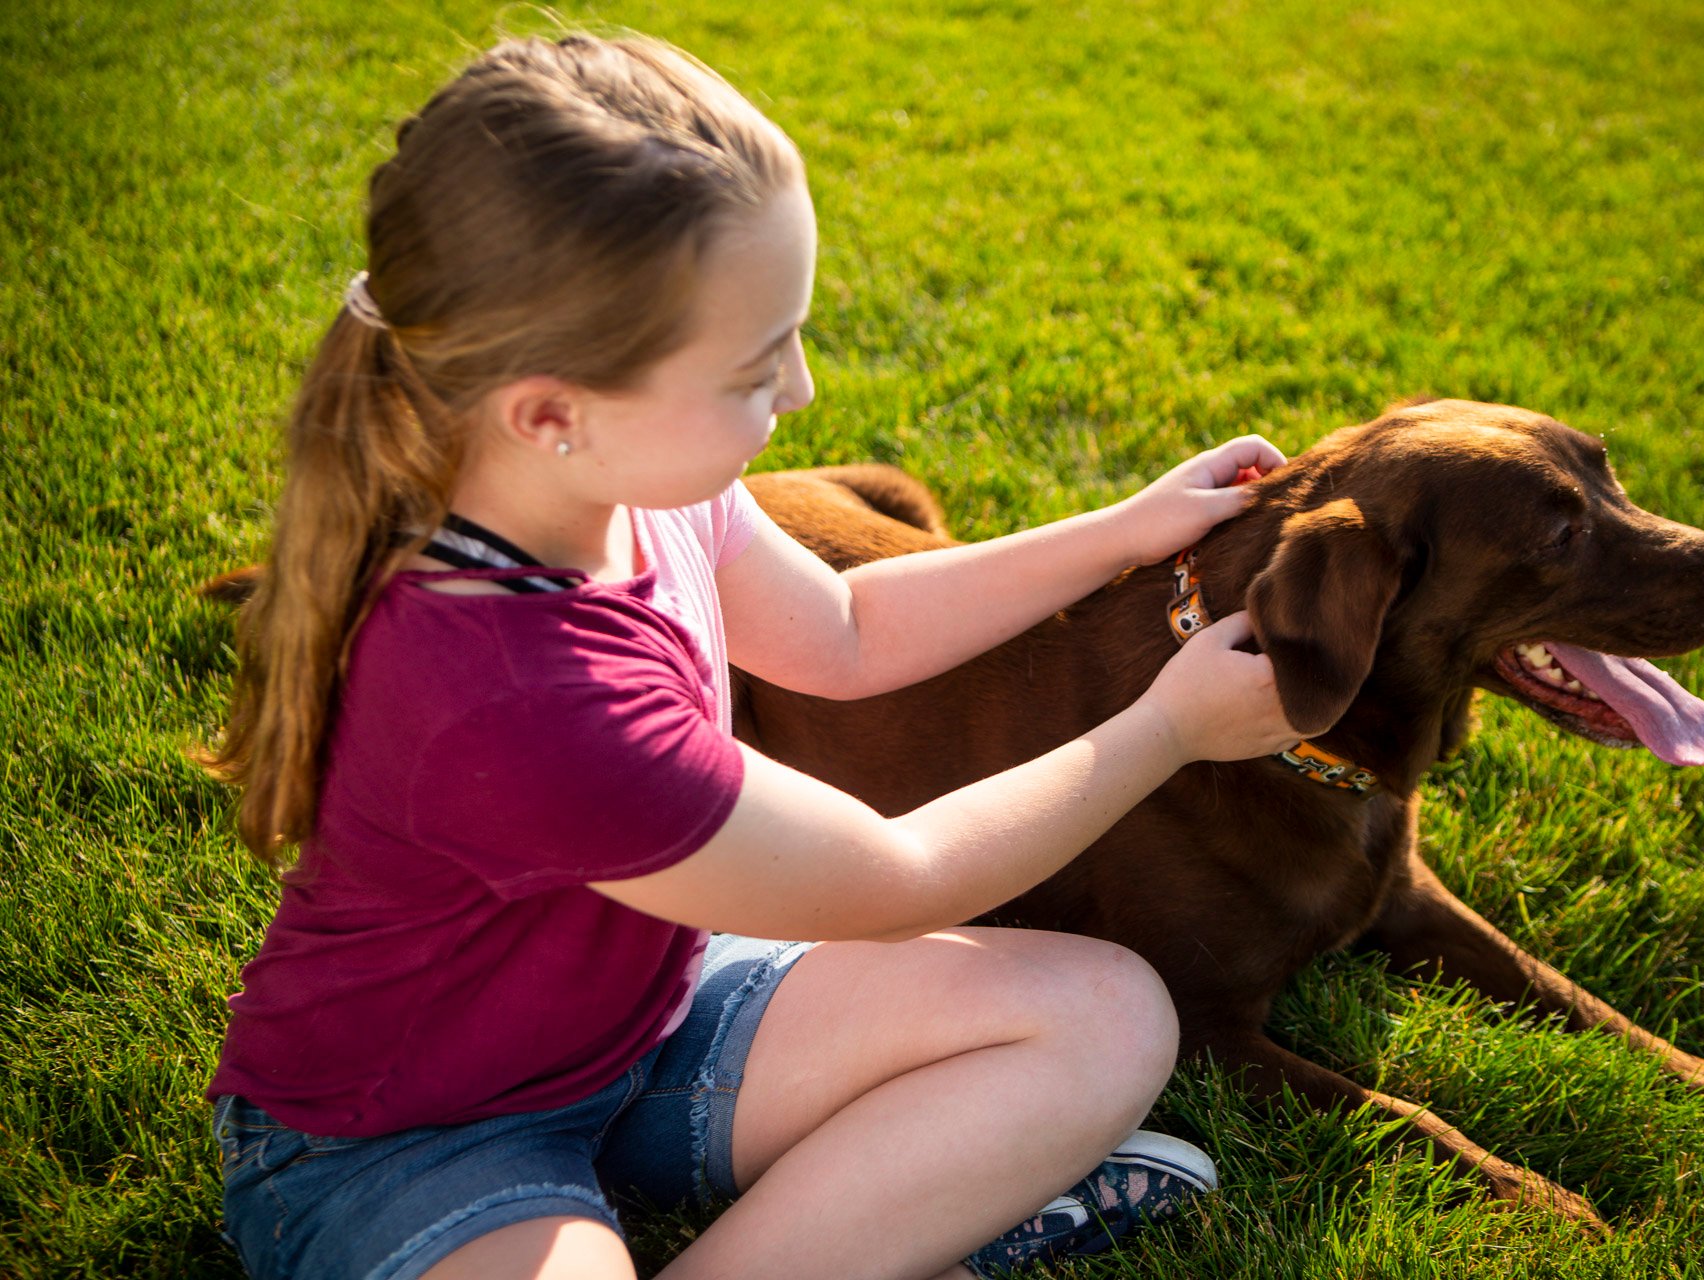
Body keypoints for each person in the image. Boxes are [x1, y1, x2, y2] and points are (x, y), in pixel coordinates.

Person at [201, 32, 1300, 1280]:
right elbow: (902, 878)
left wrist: (1121, 532)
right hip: (408, 1137)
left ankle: (886, 1214)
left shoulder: (641, 488)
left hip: (649, 1024)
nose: (803, 387)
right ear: (552, 411)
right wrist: (1166, 726)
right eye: (753, 362)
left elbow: (848, 630)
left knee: (1107, 1013)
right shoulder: (515, 686)